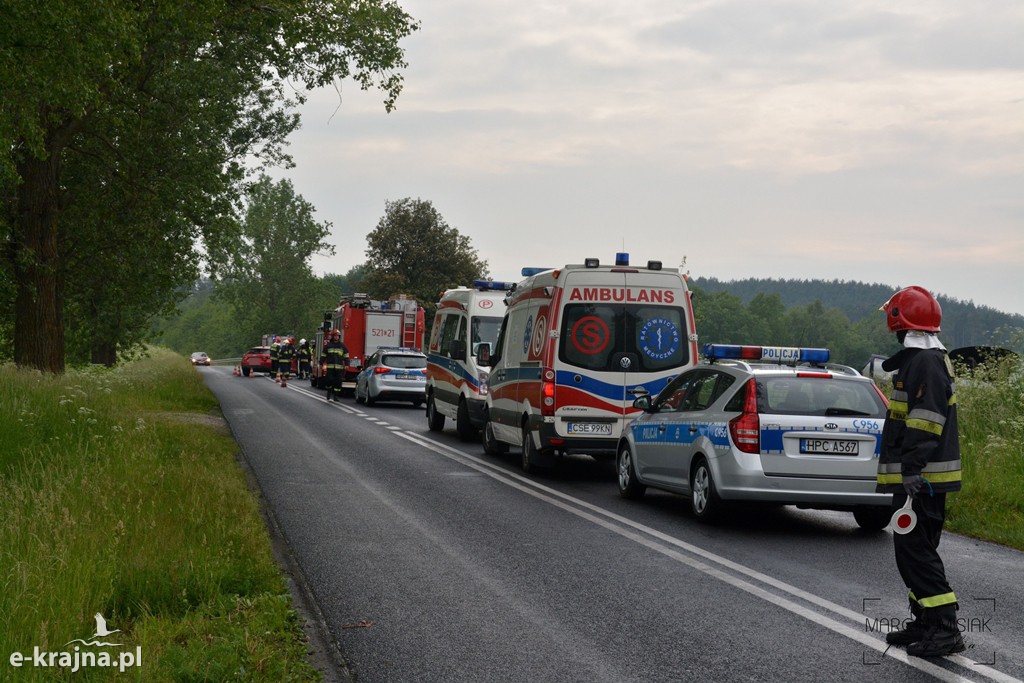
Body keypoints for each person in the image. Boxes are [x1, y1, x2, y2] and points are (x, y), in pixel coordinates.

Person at [877, 286, 964, 657]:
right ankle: (926, 621)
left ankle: (945, 629)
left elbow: (926, 420)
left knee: (917, 553)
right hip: (917, 478)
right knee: (912, 551)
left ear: (901, 320)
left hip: (922, 479)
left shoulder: (926, 362)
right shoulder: (920, 360)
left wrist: (911, 469)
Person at [324, 329, 349, 401]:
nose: (336, 337)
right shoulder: (328, 345)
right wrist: (321, 362)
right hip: (330, 367)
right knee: (329, 380)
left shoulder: (342, 346)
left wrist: (347, 364)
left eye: (338, 336)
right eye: (335, 336)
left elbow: (346, 355)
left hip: (339, 368)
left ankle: (335, 395)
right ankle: (329, 391)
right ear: (332, 336)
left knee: (338, 382)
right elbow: (324, 354)